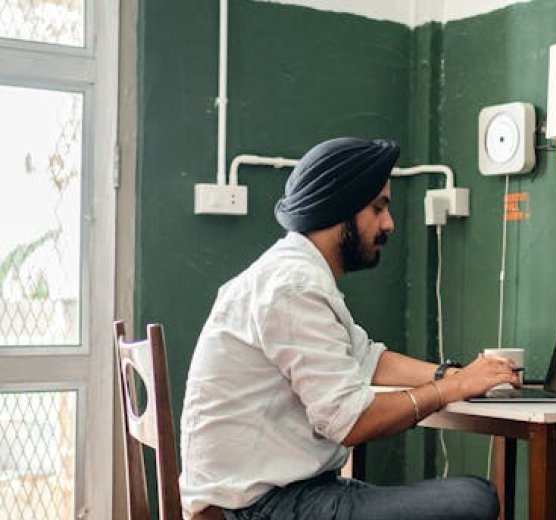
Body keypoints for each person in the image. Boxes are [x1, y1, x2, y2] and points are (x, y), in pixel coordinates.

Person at [179, 137, 520, 520]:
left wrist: (453, 375)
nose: (389, 223)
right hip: (255, 508)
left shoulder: (292, 273)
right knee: (473, 500)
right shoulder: (294, 286)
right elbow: (351, 421)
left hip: (269, 495)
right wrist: (451, 389)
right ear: (338, 207)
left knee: (468, 497)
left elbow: (367, 358)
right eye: (378, 208)